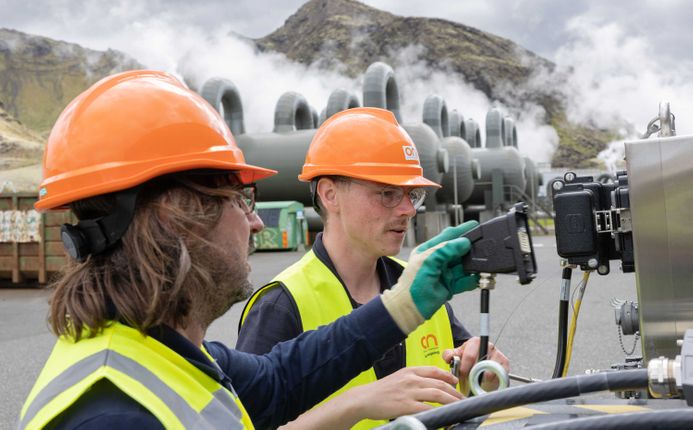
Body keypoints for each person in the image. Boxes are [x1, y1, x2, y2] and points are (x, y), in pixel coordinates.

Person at [18, 70, 482, 430]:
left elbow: (281, 377)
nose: (257, 221)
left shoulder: (165, 355)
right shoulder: (113, 414)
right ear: (176, 218)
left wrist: (407, 300)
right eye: (241, 200)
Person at [237, 107, 509, 428]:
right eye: (388, 193)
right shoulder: (281, 305)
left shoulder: (420, 285)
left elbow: (457, 390)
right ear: (329, 194)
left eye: (412, 194)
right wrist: (359, 403)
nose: (408, 210)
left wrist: (481, 378)